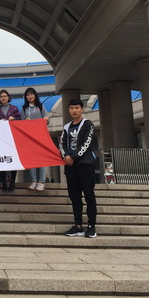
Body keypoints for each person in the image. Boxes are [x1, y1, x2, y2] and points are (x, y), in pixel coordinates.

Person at [60, 98, 98, 238]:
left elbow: (86, 143)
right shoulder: (66, 127)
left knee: (89, 196)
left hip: (85, 165)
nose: (74, 110)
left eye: (77, 108)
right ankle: (78, 225)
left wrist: (73, 157)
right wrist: (66, 156)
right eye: (72, 108)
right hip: (70, 167)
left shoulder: (88, 124)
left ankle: (91, 226)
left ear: (82, 109)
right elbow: (62, 144)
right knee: (74, 197)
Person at [0, 89, 21, 191]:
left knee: (13, 160)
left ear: (8, 97)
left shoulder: (14, 108)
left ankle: (12, 182)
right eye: (1, 96)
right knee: (2, 160)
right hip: (1, 139)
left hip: (12, 138)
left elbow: (20, 121)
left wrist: (14, 120)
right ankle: (3, 182)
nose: (3, 98)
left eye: (5, 96)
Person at [21, 87, 49, 192]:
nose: (30, 96)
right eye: (28, 95)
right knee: (31, 159)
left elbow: (47, 119)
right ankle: (33, 181)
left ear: (35, 95)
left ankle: (41, 182)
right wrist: (25, 121)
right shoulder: (24, 108)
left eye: (32, 94)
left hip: (40, 136)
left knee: (41, 159)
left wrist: (46, 119)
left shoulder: (40, 106)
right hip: (29, 137)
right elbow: (21, 122)